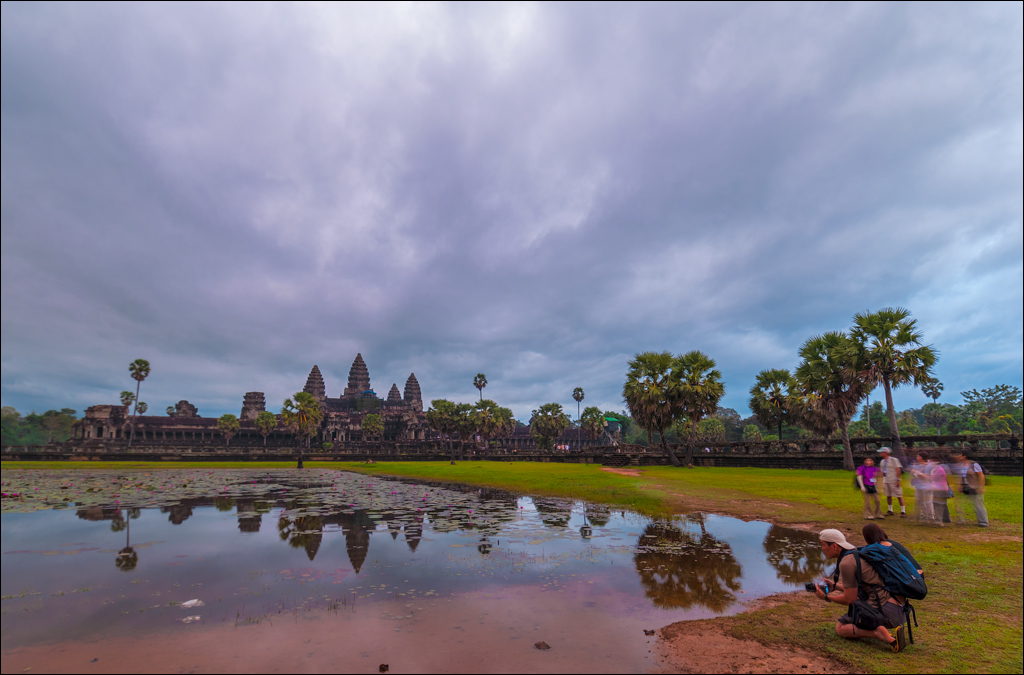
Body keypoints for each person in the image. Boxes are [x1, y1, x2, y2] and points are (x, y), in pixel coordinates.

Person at [813, 529, 906, 652]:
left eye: (824, 545)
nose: (823, 548)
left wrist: (825, 597)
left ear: (834, 546)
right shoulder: (857, 554)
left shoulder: (846, 563)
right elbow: (861, 588)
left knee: (841, 628)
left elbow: (850, 599)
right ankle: (878, 629)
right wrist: (835, 587)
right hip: (901, 609)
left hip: (888, 613)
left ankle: (877, 633)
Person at [951, 451, 989, 527]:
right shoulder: (962, 465)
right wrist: (960, 485)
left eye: (960, 455)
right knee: (960, 504)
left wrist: (981, 487)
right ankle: (961, 520)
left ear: (964, 456)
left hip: (975, 487)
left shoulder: (974, 465)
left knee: (978, 504)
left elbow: (981, 475)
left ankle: (983, 521)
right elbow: (962, 476)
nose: (959, 456)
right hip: (965, 487)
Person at [877, 447, 906, 518]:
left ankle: (903, 511)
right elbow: (882, 472)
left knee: (899, 495)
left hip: (893, 479)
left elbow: (898, 469)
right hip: (886, 480)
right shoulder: (882, 461)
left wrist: (898, 479)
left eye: (882, 452)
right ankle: (890, 510)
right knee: (888, 495)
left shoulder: (894, 460)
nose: (880, 453)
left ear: (886, 453)